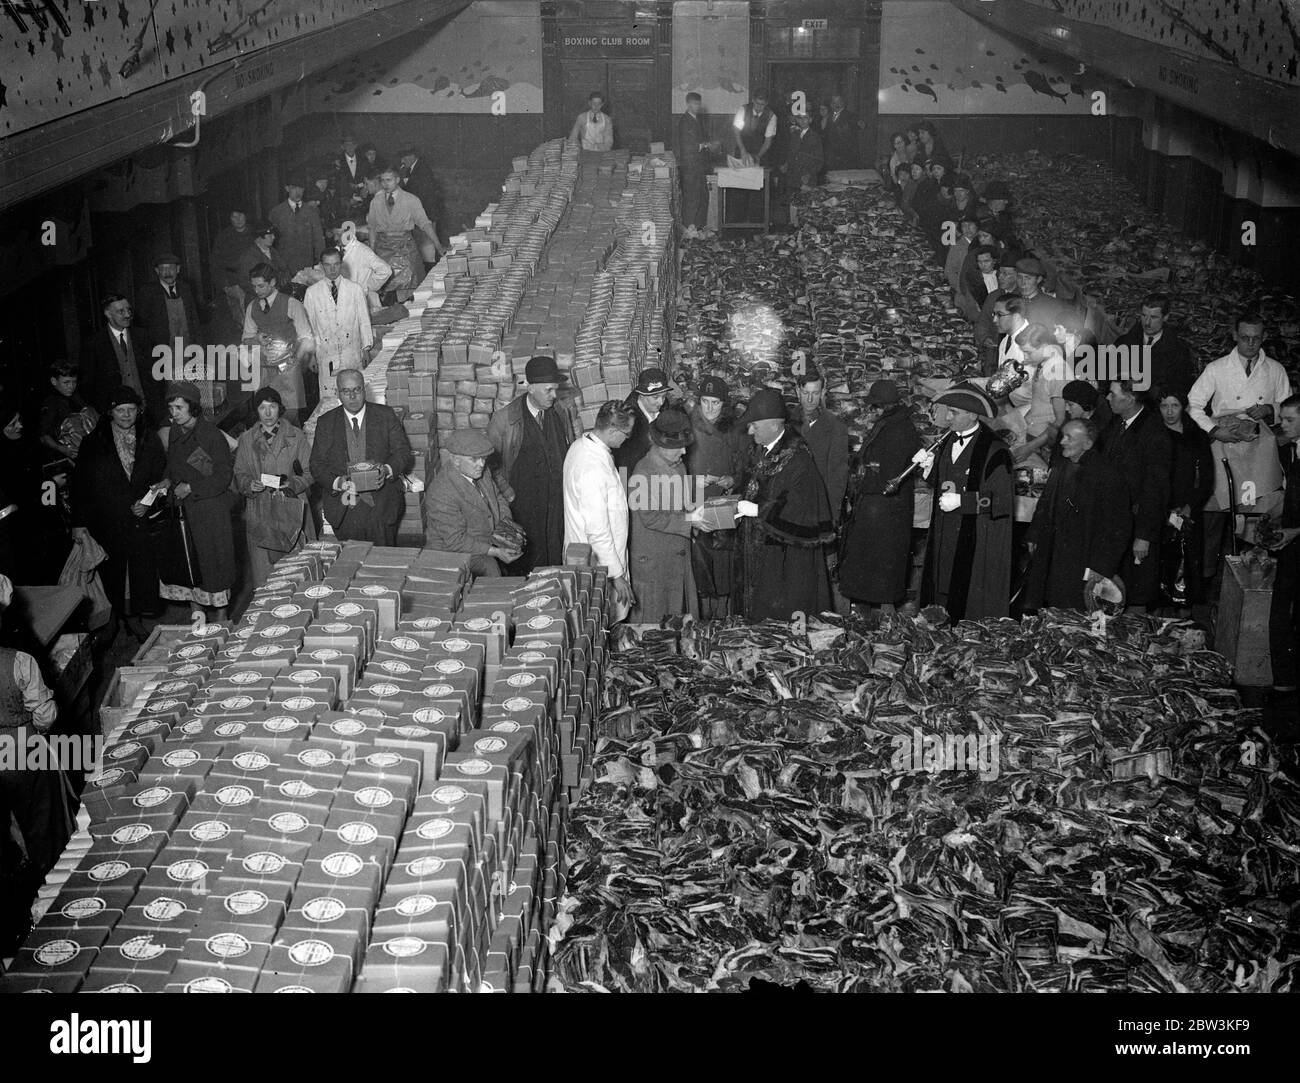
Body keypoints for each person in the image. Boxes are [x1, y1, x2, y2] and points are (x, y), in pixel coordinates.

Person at [1187, 311, 1291, 588]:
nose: (1250, 343)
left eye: (1256, 339)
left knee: (1254, 519)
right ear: (1234, 335)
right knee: (1214, 520)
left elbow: (1288, 408)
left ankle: (1250, 582)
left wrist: (1270, 409)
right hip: (1224, 447)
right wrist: (1213, 430)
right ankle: (1205, 584)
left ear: (1263, 337)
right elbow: (1194, 405)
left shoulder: (1275, 370)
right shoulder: (1217, 368)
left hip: (1258, 451)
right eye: (1244, 337)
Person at [69, 386, 166, 639]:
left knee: (136, 574)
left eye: (131, 409)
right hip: (105, 520)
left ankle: (133, 619)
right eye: (120, 410)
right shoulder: (94, 442)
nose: (126, 415)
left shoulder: (150, 438)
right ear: (110, 412)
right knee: (110, 574)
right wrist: (78, 523)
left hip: (137, 520)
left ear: (138, 411)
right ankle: (111, 621)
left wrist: (148, 502)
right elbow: (79, 484)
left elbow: (161, 479)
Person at [732, 388, 836, 620]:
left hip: (785, 559)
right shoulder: (757, 449)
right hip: (756, 551)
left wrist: (758, 510)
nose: (749, 431)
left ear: (774, 425)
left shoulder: (798, 459)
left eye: (754, 426)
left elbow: (802, 513)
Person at [0, 572, 70, 914]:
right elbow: (44, 716)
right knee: (42, 817)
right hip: (21, 749)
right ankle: (52, 884)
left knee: (11, 827)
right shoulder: (19, 661)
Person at [917, 384, 1014, 620]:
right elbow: (944, 483)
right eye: (948, 411)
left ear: (972, 415)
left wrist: (964, 501)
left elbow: (1001, 502)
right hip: (945, 532)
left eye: (954, 412)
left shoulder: (996, 450)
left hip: (974, 536)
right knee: (941, 583)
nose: (948, 417)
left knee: (962, 595)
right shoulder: (947, 442)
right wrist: (928, 471)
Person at [1023, 418, 1131, 611]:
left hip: (1085, 561)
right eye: (1063, 436)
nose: (1062, 441)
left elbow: (1118, 527)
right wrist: (1034, 534)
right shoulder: (1060, 466)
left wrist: (1101, 568)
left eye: (1069, 438)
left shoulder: (1108, 475)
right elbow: (1045, 504)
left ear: (1087, 444)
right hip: (1055, 557)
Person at [838, 380, 922, 614]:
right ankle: (869, 608)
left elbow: (888, 469)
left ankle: (878, 615)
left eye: (873, 407)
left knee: (880, 568)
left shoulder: (898, 429)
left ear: (883, 406)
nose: (870, 411)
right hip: (877, 506)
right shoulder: (891, 423)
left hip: (884, 508)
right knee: (874, 566)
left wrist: (865, 469)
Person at [487, 355, 576, 573]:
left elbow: (570, 448)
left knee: (554, 555)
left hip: (555, 503)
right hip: (523, 507)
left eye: (555, 389)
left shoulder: (561, 411)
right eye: (549, 390)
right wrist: (509, 495)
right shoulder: (504, 420)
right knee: (526, 562)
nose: (554, 396)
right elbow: (491, 466)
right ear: (531, 387)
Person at [159, 382, 236, 620]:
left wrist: (191, 486)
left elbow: (223, 477)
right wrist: (166, 481)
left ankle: (222, 620)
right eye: (171, 407)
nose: (174, 413)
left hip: (211, 511)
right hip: (187, 512)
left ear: (193, 407)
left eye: (179, 407)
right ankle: (197, 621)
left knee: (214, 566)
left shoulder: (210, 434)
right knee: (191, 565)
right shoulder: (174, 431)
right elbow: (173, 466)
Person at [311, 369, 412, 545]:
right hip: (344, 510)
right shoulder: (326, 422)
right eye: (346, 391)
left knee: (382, 563)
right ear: (337, 393)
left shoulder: (386, 415)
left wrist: (387, 470)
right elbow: (316, 465)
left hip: (381, 507)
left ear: (365, 390)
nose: (352, 396)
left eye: (357, 390)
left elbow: (402, 452)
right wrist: (338, 482)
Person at [1100, 379, 1173, 614]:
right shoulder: (1116, 423)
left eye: (1112, 394)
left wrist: (1144, 535)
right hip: (1115, 523)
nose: (1108, 398)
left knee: (1136, 592)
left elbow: (1155, 488)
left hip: (1137, 526)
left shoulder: (1154, 433)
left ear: (1130, 398)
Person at [233, 387, 315, 589]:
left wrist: (293, 484)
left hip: (293, 507)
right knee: (267, 578)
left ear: (280, 408)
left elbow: (311, 471)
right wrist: (248, 485)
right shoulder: (246, 440)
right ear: (256, 411)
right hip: (261, 512)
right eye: (262, 407)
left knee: (300, 571)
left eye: (273, 406)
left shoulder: (296, 436)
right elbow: (239, 473)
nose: (268, 413)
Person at [563, 400, 636, 618]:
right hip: (597, 562)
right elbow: (597, 530)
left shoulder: (581, 445)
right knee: (600, 621)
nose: (626, 440)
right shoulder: (592, 468)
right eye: (626, 434)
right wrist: (616, 575)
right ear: (613, 430)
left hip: (597, 556)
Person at [685, 376, 748, 618]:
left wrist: (733, 480)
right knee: (699, 568)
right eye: (705, 402)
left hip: (723, 506)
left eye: (716, 403)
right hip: (694, 504)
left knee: (724, 569)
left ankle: (723, 616)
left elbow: (745, 465)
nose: (710, 408)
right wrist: (692, 482)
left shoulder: (735, 429)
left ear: (725, 404)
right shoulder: (687, 426)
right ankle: (703, 615)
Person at [628, 407, 698, 623]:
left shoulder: (677, 465)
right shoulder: (643, 472)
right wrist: (691, 521)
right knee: (655, 624)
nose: (684, 452)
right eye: (679, 447)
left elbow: (680, 503)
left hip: (675, 554)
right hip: (655, 560)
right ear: (661, 445)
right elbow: (650, 517)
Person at [424, 428, 520, 577]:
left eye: (483, 458)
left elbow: (498, 497)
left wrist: (506, 529)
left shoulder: (481, 472)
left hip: (483, 540)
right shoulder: (441, 492)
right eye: (474, 459)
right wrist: (496, 551)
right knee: (492, 571)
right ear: (456, 461)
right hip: (453, 554)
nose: (481, 464)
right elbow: (456, 541)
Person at [1156, 387, 1213, 613]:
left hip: (1189, 508)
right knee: (1161, 564)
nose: (1169, 412)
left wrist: (1191, 506)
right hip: (1161, 507)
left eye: (1175, 406)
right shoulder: (1155, 434)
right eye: (1164, 406)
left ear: (1184, 407)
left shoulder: (1196, 435)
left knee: (1187, 563)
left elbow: (1207, 476)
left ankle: (1184, 616)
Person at [1262, 394, 1300, 701]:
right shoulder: (1292, 452)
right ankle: (1283, 687)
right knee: (1282, 616)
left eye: (1289, 420)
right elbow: (1289, 497)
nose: (1282, 425)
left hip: (1296, 541)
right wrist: (1270, 515)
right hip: (1291, 548)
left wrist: (1295, 530)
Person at [242, 262, 314, 425]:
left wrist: (293, 363)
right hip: (263, 373)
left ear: (273, 282)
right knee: (266, 420)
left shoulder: (292, 304)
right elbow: (246, 340)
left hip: (287, 373)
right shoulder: (251, 307)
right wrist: (256, 339)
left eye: (261, 286)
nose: (256, 291)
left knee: (290, 419)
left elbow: (307, 339)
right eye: (254, 286)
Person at [303, 246, 374, 401]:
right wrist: (311, 356)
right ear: (321, 266)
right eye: (328, 265)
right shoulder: (312, 293)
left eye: (336, 264)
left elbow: (364, 321)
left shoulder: (355, 289)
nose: (332, 269)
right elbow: (309, 328)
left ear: (341, 264)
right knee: (331, 399)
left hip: (352, 352)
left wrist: (366, 348)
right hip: (326, 355)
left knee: (355, 395)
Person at [80, 293, 160, 424]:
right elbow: (88, 385)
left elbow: (156, 376)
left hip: (146, 413)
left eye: (129, 310)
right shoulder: (94, 343)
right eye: (121, 311)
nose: (127, 315)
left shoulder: (143, 336)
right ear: (108, 314)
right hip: (114, 418)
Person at [367, 165, 444, 295]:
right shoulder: (376, 201)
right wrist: (372, 253)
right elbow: (372, 228)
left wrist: (438, 246)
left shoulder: (411, 200)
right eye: (383, 180)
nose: (385, 184)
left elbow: (425, 224)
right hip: (383, 251)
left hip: (406, 250)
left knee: (411, 290)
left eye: (389, 180)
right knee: (386, 292)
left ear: (397, 180)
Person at [1013, 323, 1075, 465]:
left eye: (1028, 352)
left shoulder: (1057, 372)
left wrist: (1029, 447)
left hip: (1044, 444)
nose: (1025, 357)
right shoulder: (1043, 363)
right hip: (1034, 435)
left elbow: (1060, 421)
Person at [134, 252, 204, 379]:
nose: (167, 272)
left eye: (171, 268)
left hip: (187, 349)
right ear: (157, 271)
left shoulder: (185, 288)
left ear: (178, 269)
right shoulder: (148, 292)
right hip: (163, 352)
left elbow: (194, 320)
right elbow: (141, 326)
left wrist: (199, 348)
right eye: (163, 268)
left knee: (189, 386)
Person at [1114, 294, 1195, 401]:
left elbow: (1180, 389)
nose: (1147, 323)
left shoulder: (1179, 350)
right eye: (1144, 315)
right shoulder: (1123, 343)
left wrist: (1149, 389)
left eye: (1153, 317)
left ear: (1166, 317)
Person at [796, 368, 849, 525]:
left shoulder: (836, 428)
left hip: (817, 508)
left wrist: (832, 515)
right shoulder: (784, 423)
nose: (810, 399)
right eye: (805, 393)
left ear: (823, 392)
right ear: (797, 391)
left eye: (816, 393)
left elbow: (837, 477)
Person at [731, 90, 777, 223]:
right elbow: (736, 132)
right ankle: (737, 226)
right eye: (757, 104)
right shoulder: (743, 110)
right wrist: (743, 151)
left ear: (766, 104)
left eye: (762, 105)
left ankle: (755, 228)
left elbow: (768, 141)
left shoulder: (771, 116)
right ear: (753, 100)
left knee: (757, 194)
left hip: (760, 154)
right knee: (739, 192)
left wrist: (758, 156)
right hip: (742, 152)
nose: (758, 107)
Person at [39, 360, 96, 467]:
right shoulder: (51, 403)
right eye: (66, 382)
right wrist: (61, 449)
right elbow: (43, 436)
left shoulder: (77, 397)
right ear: (54, 381)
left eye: (74, 382)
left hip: (90, 454)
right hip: (69, 459)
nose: (71, 386)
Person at [614, 368, 671, 473]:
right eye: (655, 397)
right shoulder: (628, 421)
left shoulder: (664, 405)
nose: (661, 402)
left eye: (664, 396)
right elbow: (624, 463)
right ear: (642, 394)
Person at [268, 177, 326, 280]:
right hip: (285, 268)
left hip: (307, 268)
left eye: (301, 188)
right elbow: (271, 245)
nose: (298, 192)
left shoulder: (312, 212)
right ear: (287, 189)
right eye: (294, 188)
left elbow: (319, 241)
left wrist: (321, 263)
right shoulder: (276, 213)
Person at [209, 208, 254, 331]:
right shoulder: (223, 237)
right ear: (230, 219)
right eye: (234, 216)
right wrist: (225, 285)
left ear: (246, 216)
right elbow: (215, 263)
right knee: (242, 321)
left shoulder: (255, 234)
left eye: (240, 215)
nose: (238, 219)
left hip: (255, 282)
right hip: (234, 283)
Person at [976, 253, 1021, 373]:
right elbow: (982, 322)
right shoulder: (993, 296)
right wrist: (984, 338)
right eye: (999, 273)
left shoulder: (1023, 299)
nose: (1000, 277)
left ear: (1018, 276)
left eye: (1006, 274)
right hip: (993, 353)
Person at [337, 222, 393, 314]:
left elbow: (386, 270)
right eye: (334, 234)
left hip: (364, 301)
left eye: (338, 234)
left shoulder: (363, 251)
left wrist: (369, 286)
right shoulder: (338, 250)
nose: (335, 238)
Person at [399, 145, 447, 248]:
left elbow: (418, 194)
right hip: (423, 214)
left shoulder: (422, 170)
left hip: (427, 214)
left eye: (404, 158)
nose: (402, 161)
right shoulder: (413, 168)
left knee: (428, 246)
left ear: (412, 156)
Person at [677, 92, 712, 234]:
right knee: (692, 197)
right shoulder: (685, 121)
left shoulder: (697, 120)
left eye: (698, 104)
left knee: (701, 196)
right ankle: (689, 229)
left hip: (699, 164)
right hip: (690, 165)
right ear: (688, 104)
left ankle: (697, 228)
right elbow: (687, 146)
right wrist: (705, 145)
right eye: (694, 104)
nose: (697, 107)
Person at [238, 222, 292, 296]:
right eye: (270, 235)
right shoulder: (249, 256)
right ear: (259, 237)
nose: (273, 237)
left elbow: (285, 270)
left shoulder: (273, 251)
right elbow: (246, 283)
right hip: (259, 299)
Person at [1014, 257, 1064, 329]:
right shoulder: (1010, 301)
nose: (1023, 283)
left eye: (1028, 278)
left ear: (1039, 279)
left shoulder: (1052, 305)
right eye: (1019, 277)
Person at [784, 113, 823, 197]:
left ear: (810, 120)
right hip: (793, 176)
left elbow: (819, 160)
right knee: (792, 202)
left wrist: (809, 173)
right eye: (799, 118)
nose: (802, 120)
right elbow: (790, 153)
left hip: (807, 176)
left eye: (805, 118)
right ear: (796, 120)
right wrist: (786, 164)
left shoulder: (815, 137)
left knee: (805, 202)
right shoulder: (794, 135)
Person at [820, 93, 861, 174]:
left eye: (839, 102)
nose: (836, 104)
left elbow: (860, 125)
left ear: (843, 103)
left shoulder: (850, 116)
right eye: (834, 102)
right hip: (831, 155)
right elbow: (823, 131)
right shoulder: (828, 116)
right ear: (831, 104)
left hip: (845, 155)